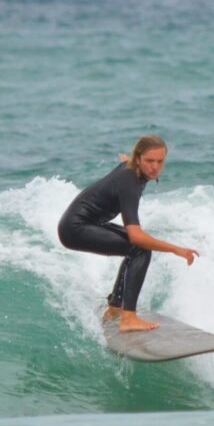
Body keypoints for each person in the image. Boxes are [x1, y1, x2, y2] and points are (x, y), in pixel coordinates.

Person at [57, 135, 200, 332]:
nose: (155, 167)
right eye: (150, 161)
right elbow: (135, 236)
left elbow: (125, 161)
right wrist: (176, 249)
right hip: (75, 229)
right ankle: (128, 318)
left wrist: (125, 160)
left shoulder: (132, 167)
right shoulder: (130, 181)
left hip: (83, 223)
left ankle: (115, 309)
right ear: (138, 158)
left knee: (135, 248)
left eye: (160, 161)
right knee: (140, 249)